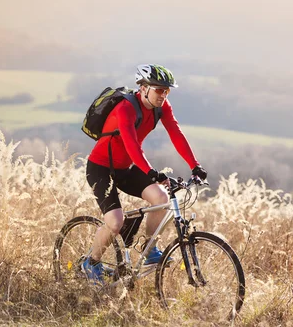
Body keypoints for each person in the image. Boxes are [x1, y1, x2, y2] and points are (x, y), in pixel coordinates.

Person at [83, 64, 207, 284]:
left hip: (126, 168)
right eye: (159, 89)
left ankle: (149, 250)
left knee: (161, 198)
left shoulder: (162, 107)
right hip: (101, 166)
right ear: (143, 88)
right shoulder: (125, 108)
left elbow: (176, 134)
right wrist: (151, 172)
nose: (164, 94)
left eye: (167, 90)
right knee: (115, 222)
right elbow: (132, 146)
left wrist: (195, 166)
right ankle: (90, 262)